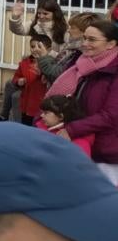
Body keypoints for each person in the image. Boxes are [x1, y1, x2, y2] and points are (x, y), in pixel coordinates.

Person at [44, 19, 118, 181]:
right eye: (84, 38)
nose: (84, 43)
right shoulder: (82, 64)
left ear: (111, 44)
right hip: (79, 145)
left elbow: (111, 115)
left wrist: (72, 130)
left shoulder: (112, 71)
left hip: (106, 153)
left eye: (92, 40)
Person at [0, 0, 68, 120]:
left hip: (49, 68)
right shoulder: (35, 24)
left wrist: (45, 54)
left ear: (54, 14)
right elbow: (18, 29)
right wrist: (15, 17)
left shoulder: (63, 30)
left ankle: (22, 121)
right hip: (35, 64)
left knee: (17, 96)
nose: (41, 16)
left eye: (45, 13)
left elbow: (64, 55)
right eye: (39, 13)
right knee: (11, 85)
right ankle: (4, 115)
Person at [15, 33, 52, 125]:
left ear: (48, 49)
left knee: (38, 127)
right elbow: (16, 76)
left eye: (39, 47)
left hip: (41, 104)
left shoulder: (50, 64)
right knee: (25, 125)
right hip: (26, 103)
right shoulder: (25, 62)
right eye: (32, 46)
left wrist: (43, 74)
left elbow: (53, 79)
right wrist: (18, 81)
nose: (35, 49)